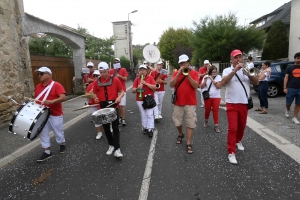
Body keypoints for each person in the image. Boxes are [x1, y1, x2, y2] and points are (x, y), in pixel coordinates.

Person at [217, 49, 259, 164]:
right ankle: (231, 152)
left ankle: (238, 140)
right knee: (233, 128)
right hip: (231, 102)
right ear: (231, 59)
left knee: (242, 126)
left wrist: (249, 74)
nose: (238, 59)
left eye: (240, 57)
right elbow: (224, 82)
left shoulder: (248, 69)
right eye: (235, 57)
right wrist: (235, 70)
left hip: (244, 102)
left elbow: (257, 82)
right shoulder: (227, 70)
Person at [92, 62, 125, 157]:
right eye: (101, 72)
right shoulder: (96, 81)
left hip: (114, 106)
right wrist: (95, 97)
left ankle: (117, 149)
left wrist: (119, 98)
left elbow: (122, 91)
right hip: (103, 107)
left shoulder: (115, 80)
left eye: (104, 72)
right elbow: (93, 92)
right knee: (106, 128)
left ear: (108, 70)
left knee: (115, 128)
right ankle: (111, 145)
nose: (102, 74)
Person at [34, 66, 67, 162]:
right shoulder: (38, 86)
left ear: (49, 75)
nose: (39, 75)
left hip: (55, 113)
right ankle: (47, 152)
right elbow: (36, 100)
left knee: (58, 131)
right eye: (38, 74)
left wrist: (52, 101)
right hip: (42, 114)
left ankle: (62, 144)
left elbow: (63, 97)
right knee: (43, 132)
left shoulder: (56, 85)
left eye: (41, 73)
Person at [170, 54, 199, 154]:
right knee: (177, 122)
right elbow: (171, 85)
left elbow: (196, 85)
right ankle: (181, 133)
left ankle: (188, 142)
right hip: (178, 102)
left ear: (188, 63)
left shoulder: (194, 72)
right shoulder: (176, 73)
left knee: (190, 122)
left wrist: (188, 75)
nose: (183, 65)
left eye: (185, 63)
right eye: (181, 63)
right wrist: (178, 74)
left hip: (190, 102)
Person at [132, 64, 157, 137]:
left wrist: (145, 83)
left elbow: (155, 87)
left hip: (149, 98)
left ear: (146, 71)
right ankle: (145, 127)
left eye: (143, 70)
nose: (142, 71)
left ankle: (150, 128)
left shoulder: (150, 78)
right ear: (139, 71)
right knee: (143, 114)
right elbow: (133, 90)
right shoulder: (137, 79)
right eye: (141, 70)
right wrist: (138, 88)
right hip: (139, 99)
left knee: (149, 114)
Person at [200, 65, 222, 133]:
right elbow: (201, 87)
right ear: (210, 72)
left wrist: (212, 79)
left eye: (215, 72)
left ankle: (216, 126)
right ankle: (206, 121)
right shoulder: (205, 77)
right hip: (208, 96)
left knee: (215, 111)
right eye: (213, 72)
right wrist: (205, 80)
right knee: (207, 110)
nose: (214, 73)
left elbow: (218, 86)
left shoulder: (219, 77)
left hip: (216, 96)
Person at [109, 58, 128, 126]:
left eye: (117, 62)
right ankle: (119, 117)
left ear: (119, 63)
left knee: (122, 105)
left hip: (122, 90)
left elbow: (126, 79)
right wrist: (114, 74)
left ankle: (123, 119)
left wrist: (119, 76)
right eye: (115, 62)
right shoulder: (111, 71)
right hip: (114, 90)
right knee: (118, 105)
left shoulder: (123, 69)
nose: (116, 63)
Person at [85, 70, 103, 139]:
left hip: (101, 104)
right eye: (94, 76)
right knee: (96, 119)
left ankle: (110, 127)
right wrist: (89, 93)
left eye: (97, 76)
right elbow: (86, 94)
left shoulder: (103, 84)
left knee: (105, 117)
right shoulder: (91, 85)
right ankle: (99, 132)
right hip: (93, 104)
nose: (95, 77)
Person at [283, 52, 300, 124]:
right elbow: (286, 78)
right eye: (298, 58)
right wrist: (285, 87)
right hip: (291, 88)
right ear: (295, 59)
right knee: (288, 103)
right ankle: (287, 109)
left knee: (298, 104)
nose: (299, 60)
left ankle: (294, 117)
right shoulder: (289, 68)